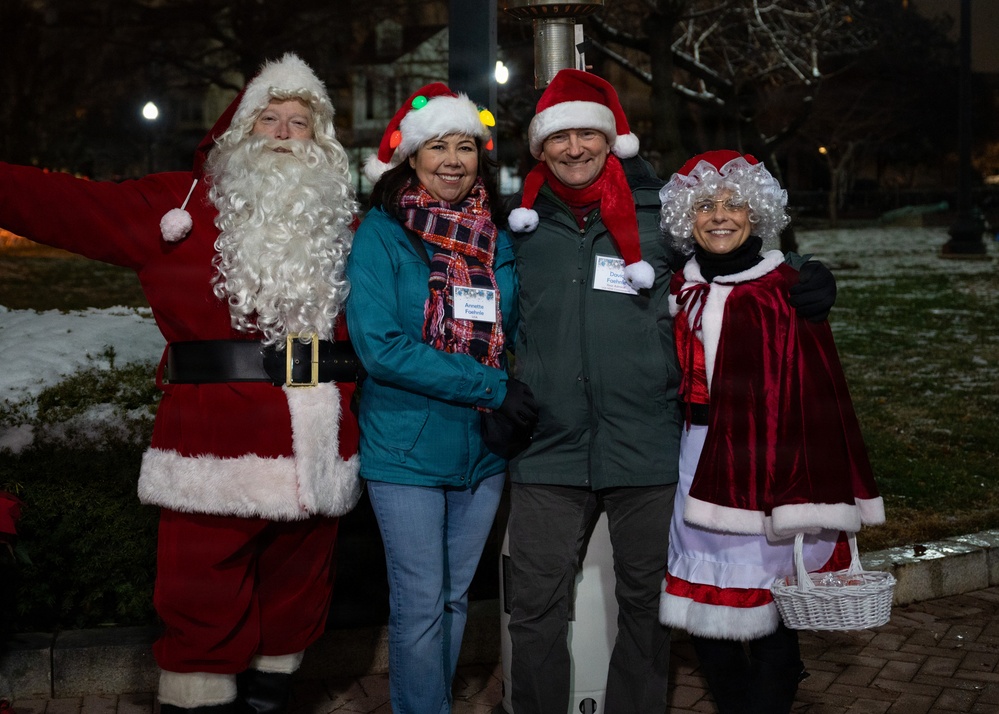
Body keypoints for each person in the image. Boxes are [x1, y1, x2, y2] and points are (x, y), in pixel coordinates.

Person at [0, 54, 362, 714]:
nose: (284, 133)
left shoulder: (343, 226)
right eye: (268, 120)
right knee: (200, 596)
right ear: (235, 137)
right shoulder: (176, 207)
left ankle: (268, 698)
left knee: (296, 596)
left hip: (319, 449)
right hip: (211, 444)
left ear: (320, 140)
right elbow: (60, 204)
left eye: (300, 122)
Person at [503, 69, 840, 714]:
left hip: (648, 446)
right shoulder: (516, 230)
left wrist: (806, 277)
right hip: (547, 447)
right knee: (535, 609)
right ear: (539, 148)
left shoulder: (663, 218)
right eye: (560, 137)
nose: (574, 149)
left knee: (648, 609)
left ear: (612, 141)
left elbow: (732, 257)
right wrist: (499, 393)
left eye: (588, 134)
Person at [657, 150, 885, 714]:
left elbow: (816, 391)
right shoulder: (675, 290)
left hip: (765, 467)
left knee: (773, 607)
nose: (720, 216)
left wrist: (812, 273)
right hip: (693, 458)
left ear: (755, 214)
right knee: (704, 604)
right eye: (706, 204)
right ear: (688, 217)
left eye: (734, 204)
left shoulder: (783, 289)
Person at [347, 84, 536, 714]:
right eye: (437, 146)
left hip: (482, 450)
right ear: (410, 157)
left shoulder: (497, 233)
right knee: (422, 599)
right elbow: (381, 347)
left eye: (466, 146)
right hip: (405, 445)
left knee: (456, 596)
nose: (453, 159)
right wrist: (491, 385)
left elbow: (518, 325)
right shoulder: (381, 234)